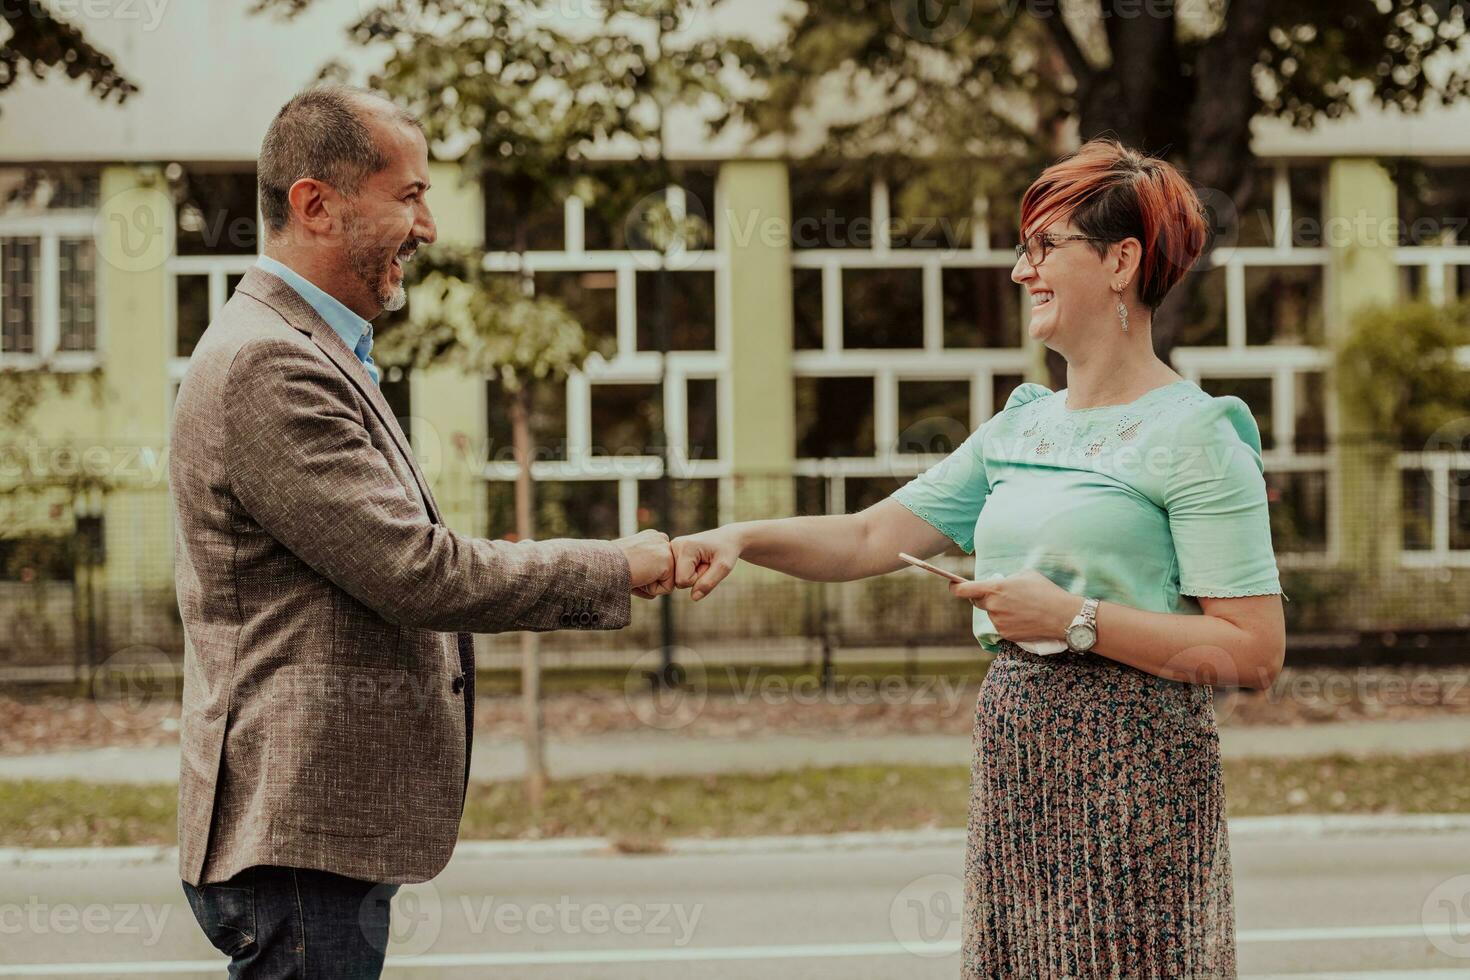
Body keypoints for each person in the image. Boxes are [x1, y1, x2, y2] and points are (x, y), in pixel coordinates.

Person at [672, 137, 1285, 977]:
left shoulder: (1200, 436)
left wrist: (1073, 619)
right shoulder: (1023, 424)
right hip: (1018, 758)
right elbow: (865, 539)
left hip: (1135, 772)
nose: (1019, 271)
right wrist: (737, 537)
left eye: (1043, 246)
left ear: (1121, 261)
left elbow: (1253, 652)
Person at [169, 85, 674, 978]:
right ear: (315, 204)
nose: (429, 225)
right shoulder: (270, 362)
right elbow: (416, 571)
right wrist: (616, 567)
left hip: (315, 837)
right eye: (409, 195)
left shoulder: (315, 348)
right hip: (297, 839)